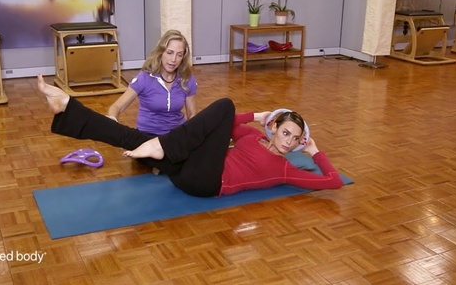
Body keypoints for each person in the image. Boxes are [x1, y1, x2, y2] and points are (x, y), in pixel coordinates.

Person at [38, 74, 343, 197]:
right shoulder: (252, 138)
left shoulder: (287, 168)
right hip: (191, 167)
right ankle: (67, 108)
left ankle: (161, 147)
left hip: (208, 182)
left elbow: (333, 182)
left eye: (295, 138)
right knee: (134, 137)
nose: (289, 141)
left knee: (224, 104)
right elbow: (224, 125)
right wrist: (258, 117)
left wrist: (314, 152)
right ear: (274, 127)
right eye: (286, 131)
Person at [106, 29, 197, 136]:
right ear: (161, 52)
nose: (173, 59)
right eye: (169, 53)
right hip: (148, 135)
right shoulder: (145, 78)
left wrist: (190, 137)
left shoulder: (186, 78)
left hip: (175, 136)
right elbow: (116, 107)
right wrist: (112, 123)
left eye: (179, 55)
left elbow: (192, 114)